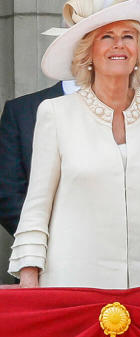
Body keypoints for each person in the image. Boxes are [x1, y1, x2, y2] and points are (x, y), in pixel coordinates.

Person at [9, 0, 140, 288]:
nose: (118, 45)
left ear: (139, 49)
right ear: (88, 51)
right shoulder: (56, 113)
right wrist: (29, 279)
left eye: (127, 36)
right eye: (107, 36)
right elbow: (36, 209)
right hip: (71, 290)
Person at [0, 80, 80, 235]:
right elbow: (7, 193)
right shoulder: (21, 110)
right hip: (48, 250)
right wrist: (46, 242)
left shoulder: (136, 108)